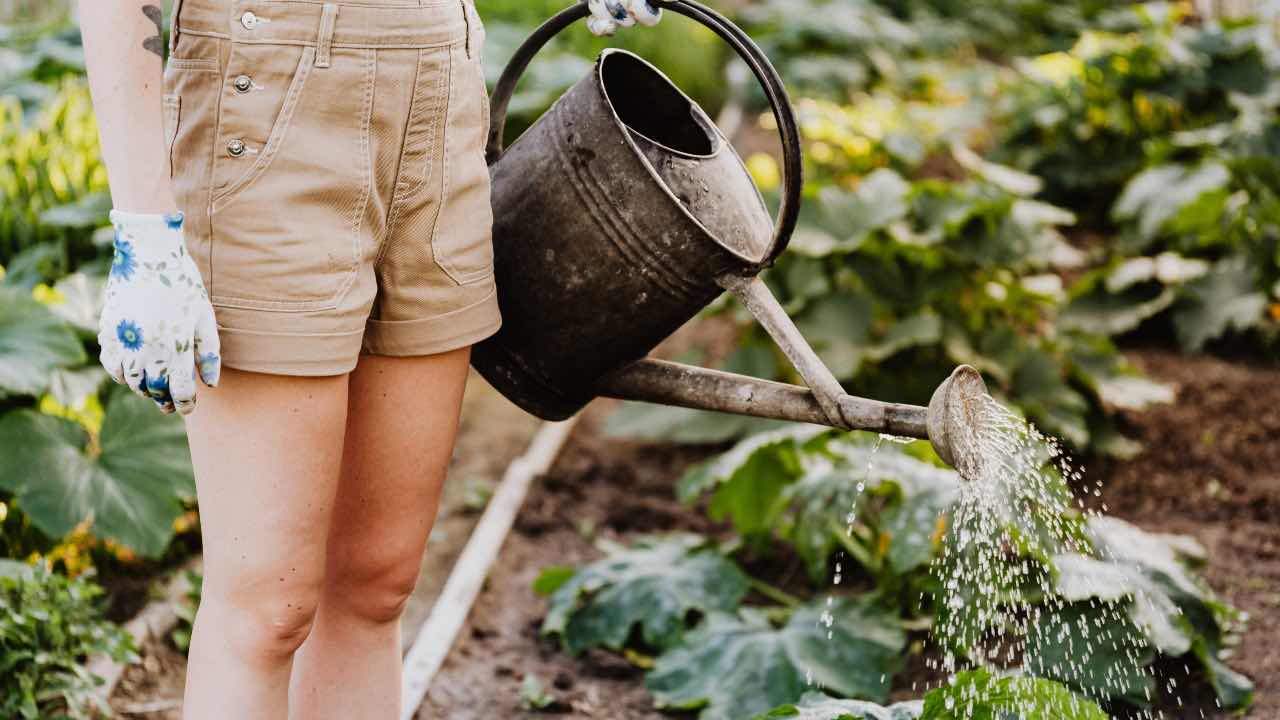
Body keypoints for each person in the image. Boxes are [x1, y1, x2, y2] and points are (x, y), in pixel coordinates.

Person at [78, 0, 660, 717]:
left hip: (441, 81)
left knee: (376, 584)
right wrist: (144, 226)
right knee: (269, 608)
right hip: (267, 95)